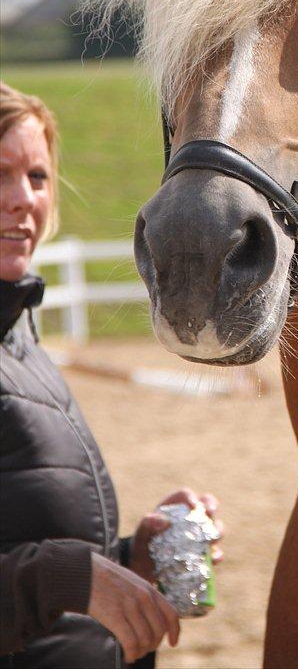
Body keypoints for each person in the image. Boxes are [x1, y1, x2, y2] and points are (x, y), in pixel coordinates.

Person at [0, 81, 223, 668]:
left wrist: (129, 559)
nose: (22, 198)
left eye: (38, 177)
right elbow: (47, 577)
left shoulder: (20, 340)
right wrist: (68, 577)